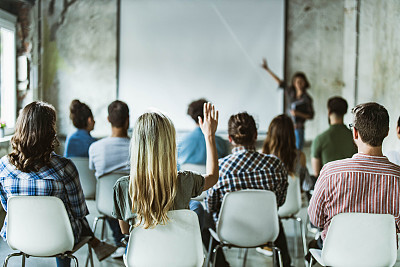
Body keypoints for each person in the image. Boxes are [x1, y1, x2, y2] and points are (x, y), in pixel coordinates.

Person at [0, 101, 117, 267]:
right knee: (70, 217)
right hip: (60, 238)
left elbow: (7, 206)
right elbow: (79, 211)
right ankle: (95, 243)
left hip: (18, 235)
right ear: (50, 131)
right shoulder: (64, 167)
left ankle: (96, 243)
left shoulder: (3, 165)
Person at [112, 103, 219, 254]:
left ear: (136, 145)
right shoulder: (185, 180)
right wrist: (209, 136)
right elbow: (213, 177)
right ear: (170, 144)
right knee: (196, 207)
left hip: (142, 257)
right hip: (179, 257)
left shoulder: (122, 186)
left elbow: (125, 230)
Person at [308, 102, 400, 251]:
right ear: (387, 132)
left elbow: (315, 220)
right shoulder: (397, 176)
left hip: (337, 253)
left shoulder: (330, 172)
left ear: (355, 133)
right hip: (381, 256)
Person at [205, 112, 291, 267]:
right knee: (275, 218)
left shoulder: (220, 168)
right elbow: (280, 201)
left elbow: (210, 206)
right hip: (267, 230)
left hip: (229, 232)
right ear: (256, 135)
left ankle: (221, 265)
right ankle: (286, 264)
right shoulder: (275, 165)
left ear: (230, 139)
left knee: (201, 215)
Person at [88, 100, 130, 258]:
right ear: (127, 119)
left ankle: (119, 241)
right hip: (134, 207)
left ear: (108, 119)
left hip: (106, 205)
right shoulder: (138, 148)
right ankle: (129, 241)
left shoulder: (95, 148)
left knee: (114, 201)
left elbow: (94, 173)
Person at [261, 58, 314, 150]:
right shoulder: (290, 93)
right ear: (294, 83)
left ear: (305, 83)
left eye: (302, 82)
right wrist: (267, 69)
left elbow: (311, 115)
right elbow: (280, 82)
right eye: (297, 82)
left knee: (297, 151)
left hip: (298, 128)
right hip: (287, 127)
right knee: (285, 149)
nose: (299, 84)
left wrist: (298, 114)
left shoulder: (307, 99)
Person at [311, 96, 357, 177]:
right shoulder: (356, 138)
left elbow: (316, 173)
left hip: (328, 187)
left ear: (329, 112)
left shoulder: (319, 140)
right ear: (345, 112)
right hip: (353, 186)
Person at [178, 98, 229, 166]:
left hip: (187, 176)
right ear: (208, 113)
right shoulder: (221, 143)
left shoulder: (181, 141)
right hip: (216, 176)